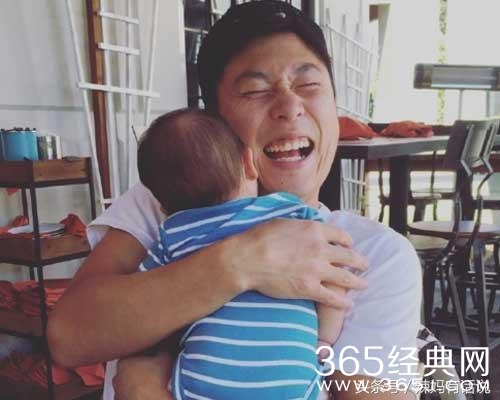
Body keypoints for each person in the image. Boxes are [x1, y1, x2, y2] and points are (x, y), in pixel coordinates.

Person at [47, 1, 421, 399]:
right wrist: (243, 262)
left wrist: (144, 389)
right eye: (256, 91)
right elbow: (69, 336)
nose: (290, 107)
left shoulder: (376, 255)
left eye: (309, 85)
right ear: (216, 122)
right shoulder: (167, 203)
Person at [137, 108, 344, 399]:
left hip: (202, 383)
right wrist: (326, 338)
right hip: (292, 382)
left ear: (161, 204)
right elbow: (334, 279)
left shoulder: (171, 235)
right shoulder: (294, 214)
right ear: (248, 163)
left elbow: (145, 303)